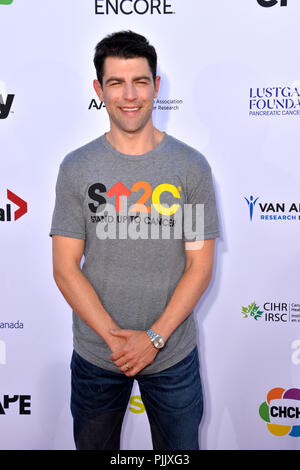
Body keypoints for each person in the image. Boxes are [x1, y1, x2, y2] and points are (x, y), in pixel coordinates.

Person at [49, 30, 220, 450]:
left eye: (140, 82)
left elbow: (200, 266)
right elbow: (65, 268)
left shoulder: (190, 167)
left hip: (172, 355)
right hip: (97, 355)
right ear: (99, 90)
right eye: (116, 83)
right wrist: (117, 341)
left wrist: (153, 340)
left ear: (156, 86)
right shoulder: (77, 168)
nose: (130, 95)